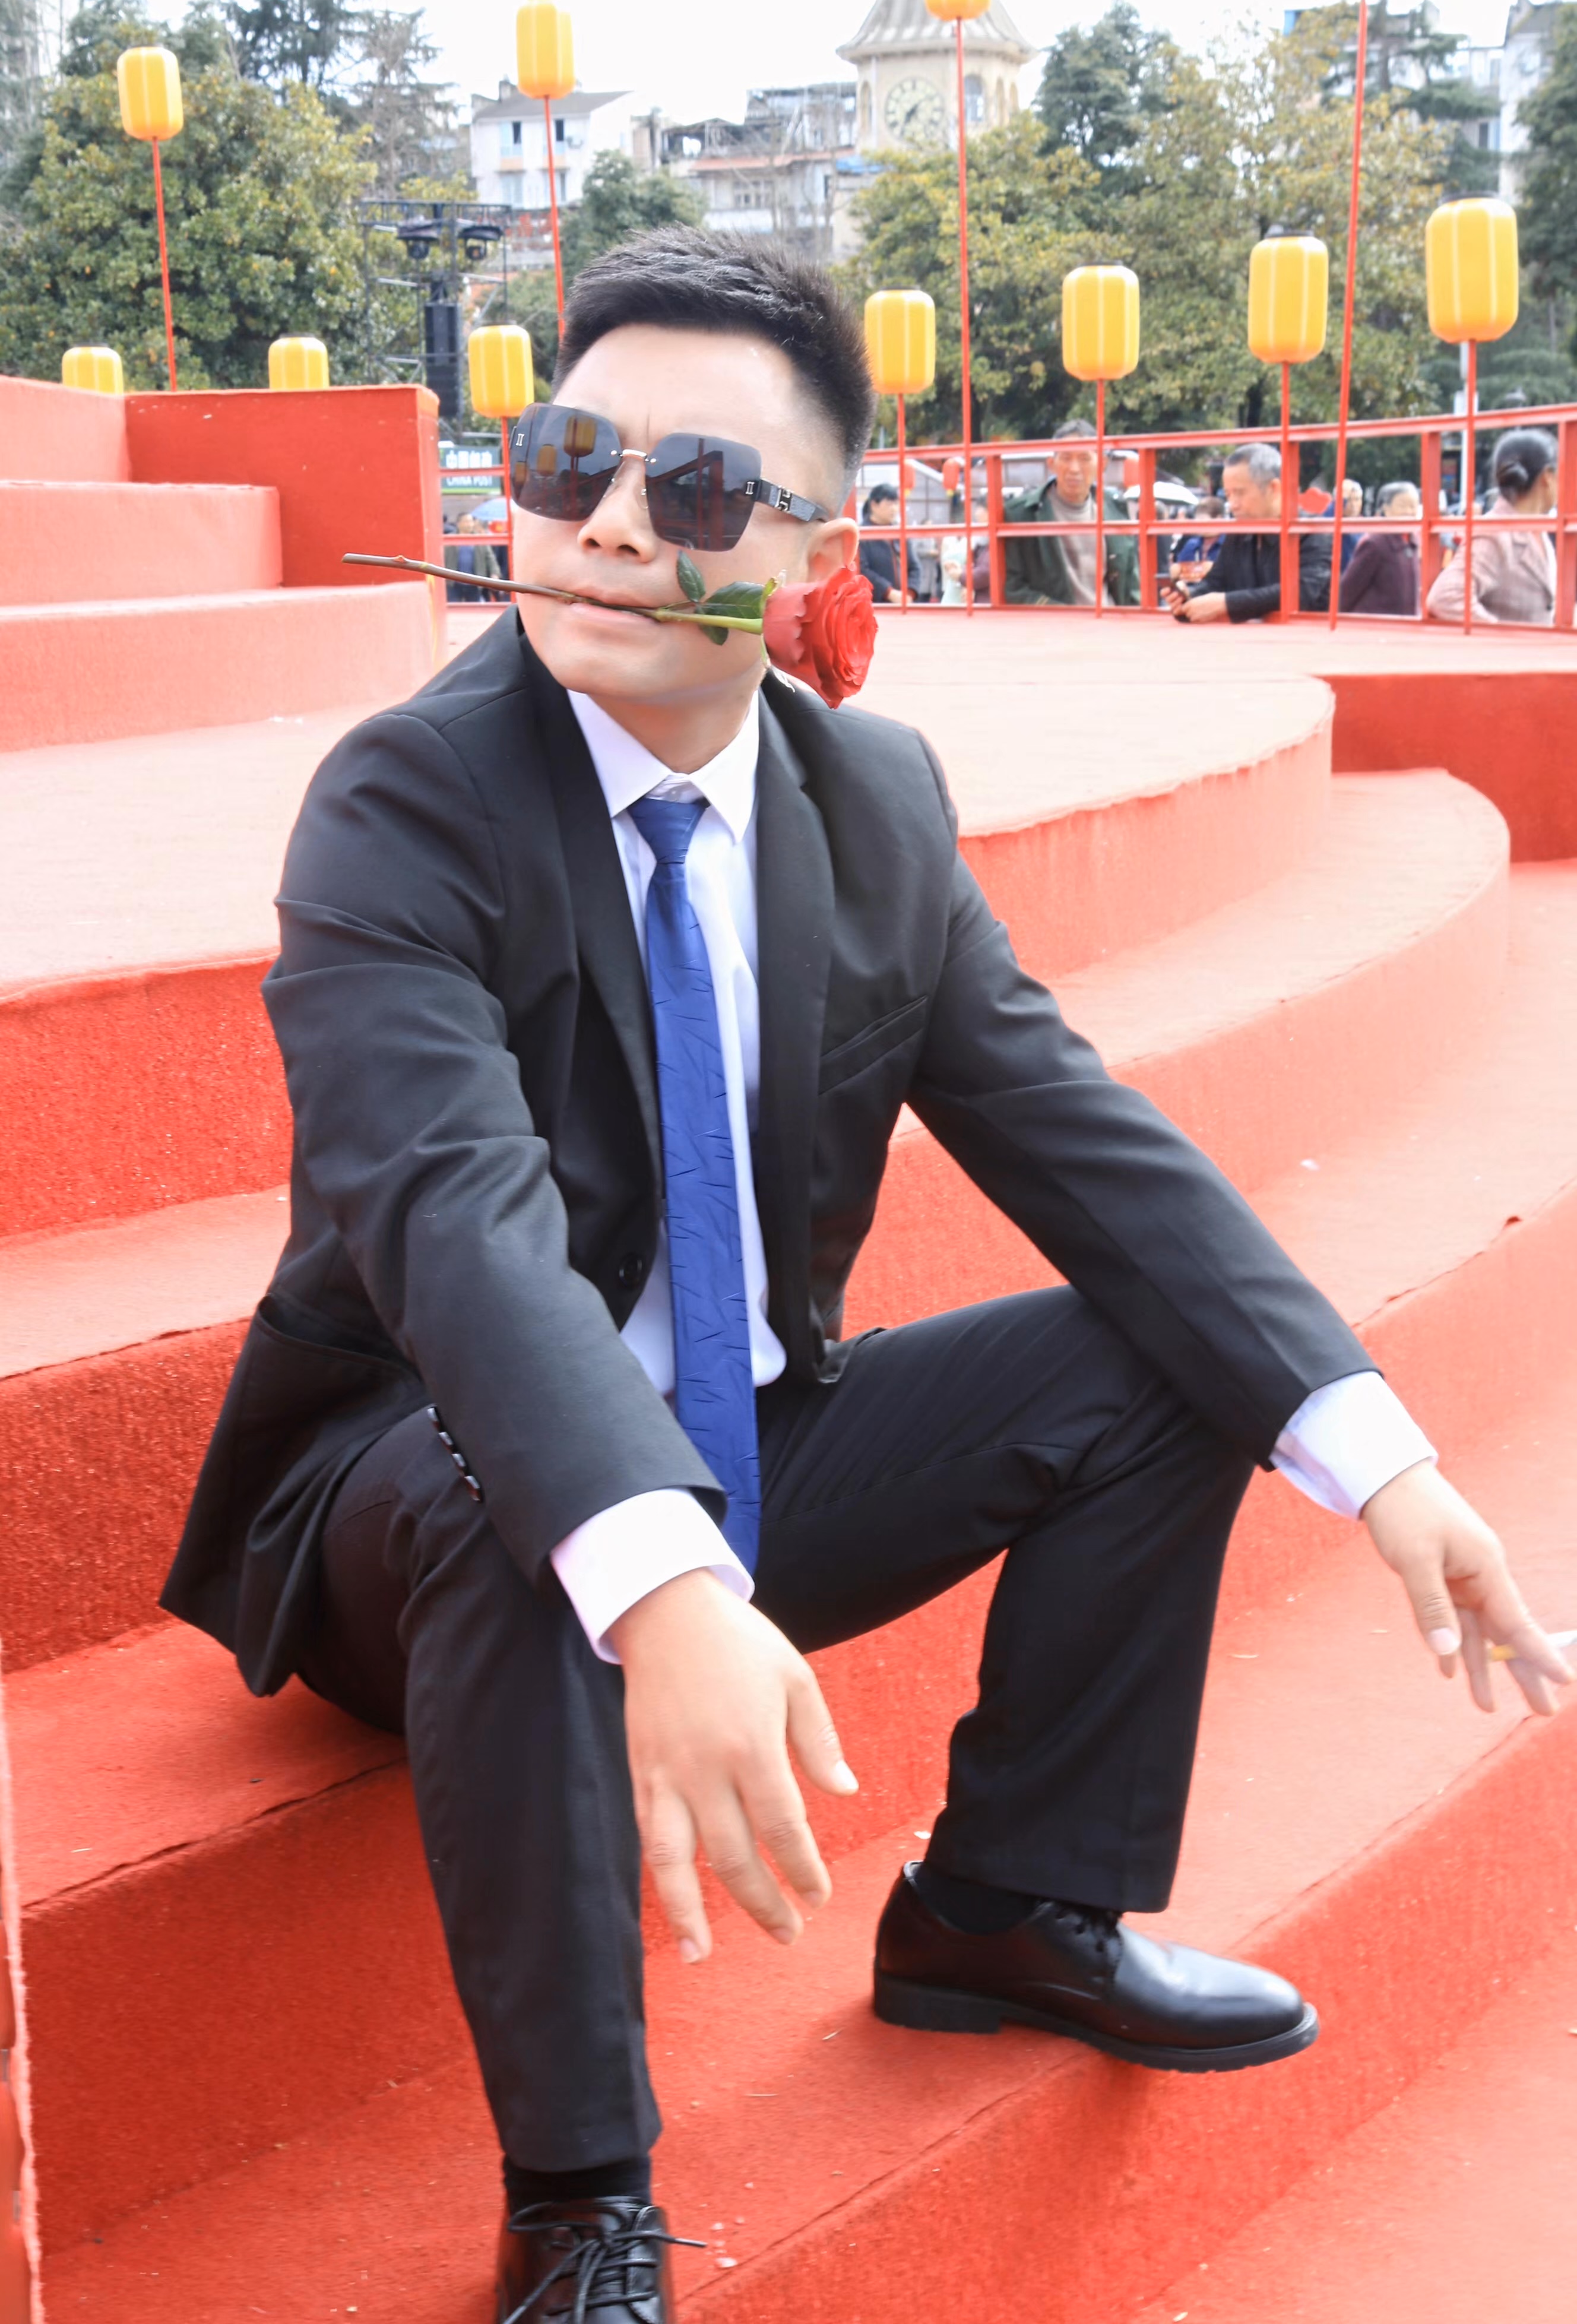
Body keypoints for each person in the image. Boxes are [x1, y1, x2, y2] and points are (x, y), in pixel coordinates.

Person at [162, 229, 1570, 2324]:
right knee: (511, 1474)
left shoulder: (871, 798)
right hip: (412, 1487)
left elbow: (1082, 1143)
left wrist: (1380, 1457)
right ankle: (582, 2200)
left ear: (822, 546)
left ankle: (1006, 1904)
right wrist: (661, 1577)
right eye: (568, 460)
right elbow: (451, 1222)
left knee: (1158, 1355)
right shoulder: (407, 799)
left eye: (699, 489)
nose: (612, 525)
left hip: (755, 1446)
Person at [1164, 443, 1333, 623]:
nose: (1233, 504)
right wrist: (1188, 597)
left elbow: (1302, 592)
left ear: (1274, 488)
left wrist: (1227, 604)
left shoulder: (1313, 532)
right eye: (1228, 495)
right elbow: (1215, 583)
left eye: (1239, 493)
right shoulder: (1239, 534)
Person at [1001, 418, 1140, 607]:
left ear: (1102, 464)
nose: (1074, 469)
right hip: (1056, 623)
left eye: (1084, 459)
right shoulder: (1022, 514)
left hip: (1109, 621)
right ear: (1052, 463)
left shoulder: (1115, 508)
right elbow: (1014, 589)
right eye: (1066, 458)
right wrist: (1064, 615)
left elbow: (1131, 584)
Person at [1426, 429, 1558, 626]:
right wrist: (1505, 637)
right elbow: (1446, 598)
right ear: (1547, 477)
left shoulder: (1536, 528)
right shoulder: (1495, 535)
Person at [1340, 481, 1421, 616]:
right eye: (1402, 506)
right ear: (1386, 509)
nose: (1409, 512)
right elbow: (1348, 590)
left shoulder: (1412, 541)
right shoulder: (1375, 543)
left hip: (1404, 624)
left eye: (1414, 506)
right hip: (1375, 624)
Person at [857, 480, 923, 603]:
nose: (894, 509)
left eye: (896, 504)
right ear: (874, 505)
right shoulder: (862, 535)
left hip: (904, 602)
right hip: (875, 603)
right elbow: (862, 570)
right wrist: (888, 592)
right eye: (889, 504)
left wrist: (910, 592)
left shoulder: (900, 532)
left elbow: (915, 567)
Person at [445, 506, 504, 603]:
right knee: (454, 606)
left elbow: (490, 558)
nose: (470, 524)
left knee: (474, 606)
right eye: (466, 522)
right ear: (459, 524)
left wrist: (495, 573)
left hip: (475, 581)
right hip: (454, 582)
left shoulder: (480, 539)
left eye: (471, 521)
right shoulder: (449, 540)